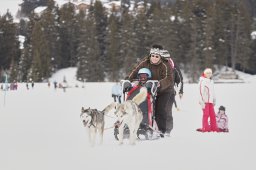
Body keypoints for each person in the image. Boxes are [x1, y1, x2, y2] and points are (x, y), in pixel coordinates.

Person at [127, 44, 174, 137]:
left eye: (157, 56)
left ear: (160, 56)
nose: (154, 58)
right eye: (153, 56)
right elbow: (136, 71)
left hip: (164, 90)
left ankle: (162, 131)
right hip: (150, 89)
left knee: (160, 110)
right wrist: (129, 80)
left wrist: (159, 83)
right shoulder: (145, 62)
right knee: (147, 108)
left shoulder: (165, 64)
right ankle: (144, 126)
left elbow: (169, 78)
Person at [197, 68, 219, 132]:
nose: (209, 74)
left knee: (212, 115)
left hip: (210, 101)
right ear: (204, 73)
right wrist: (201, 102)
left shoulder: (211, 81)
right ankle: (205, 128)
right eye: (207, 73)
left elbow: (213, 92)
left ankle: (214, 128)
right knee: (206, 115)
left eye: (210, 73)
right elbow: (200, 92)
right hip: (205, 101)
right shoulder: (202, 81)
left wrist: (214, 99)